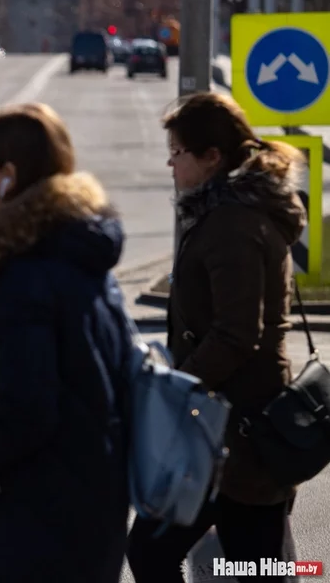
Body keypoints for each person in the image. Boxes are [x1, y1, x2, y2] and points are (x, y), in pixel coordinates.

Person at [0, 103, 131, 582]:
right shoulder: (83, 260)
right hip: (90, 511)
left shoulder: (26, 277)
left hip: (35, 523)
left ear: (9, 175)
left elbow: (27, 408)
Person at [126, 93, 305, 582]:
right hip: (221, 431)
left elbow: (237, 332)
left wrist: (172, 389)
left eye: (179, 151)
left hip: (238, 434)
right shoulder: (227, 212)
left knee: (169, 553)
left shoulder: (234, 222)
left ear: (212, 157)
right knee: (171, 553)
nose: (170, 161)